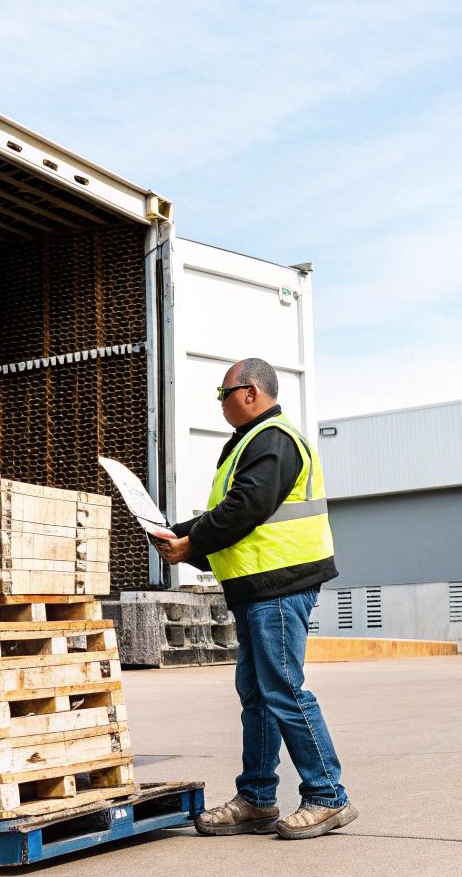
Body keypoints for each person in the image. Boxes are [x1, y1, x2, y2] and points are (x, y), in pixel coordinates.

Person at [152, 357, 356, 840]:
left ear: (250, 393)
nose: (221, 403)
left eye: (223, 393)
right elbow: (235, 514)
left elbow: (247, 508)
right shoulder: (253, 442)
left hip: (279, 589)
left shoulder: (274, 440)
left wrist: (193, 544)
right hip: (258, 589)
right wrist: (179, 535)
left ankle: (328, 796)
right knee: (258, 696)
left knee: (283, 690)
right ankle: (258, 798)